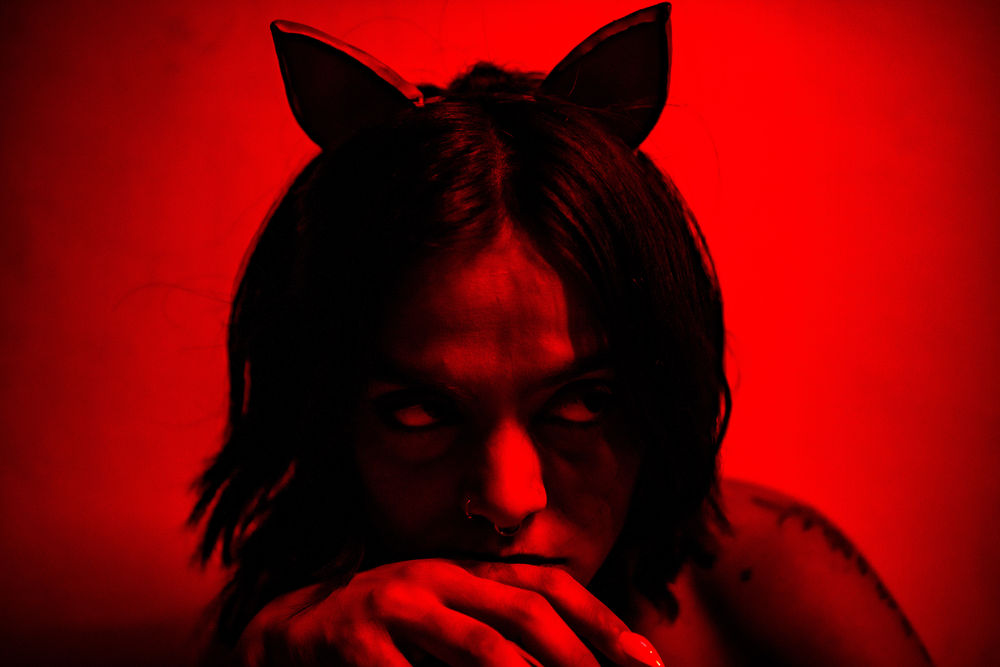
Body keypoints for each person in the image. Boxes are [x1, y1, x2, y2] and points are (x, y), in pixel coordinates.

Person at [190, 5, 932, 665]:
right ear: (322, 415)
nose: (507, 500)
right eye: (419, 412)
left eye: (583, 402)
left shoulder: (766, 575)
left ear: (662, 390)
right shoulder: (295, 649)